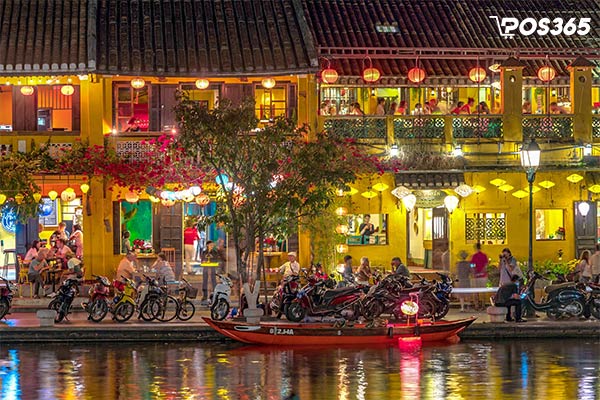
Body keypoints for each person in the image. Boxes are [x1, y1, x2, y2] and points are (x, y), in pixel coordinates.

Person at [470, 243, 489, 309]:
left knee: (476, 292)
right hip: (483, 276)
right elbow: (486, 265)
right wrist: (482, 271)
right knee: (483, 291)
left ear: (475, 248)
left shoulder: (473, 256)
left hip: (476, 276)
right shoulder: (484, 255)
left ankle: (477, 305)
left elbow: (472, 265)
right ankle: (483, 305)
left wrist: (475, 271)